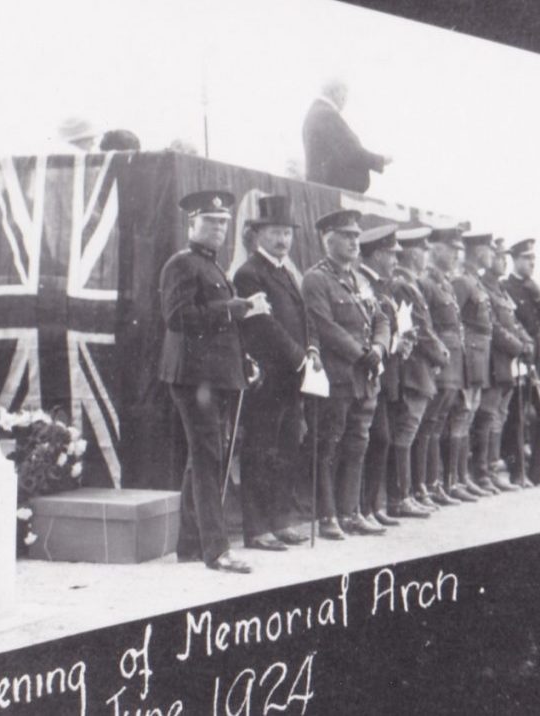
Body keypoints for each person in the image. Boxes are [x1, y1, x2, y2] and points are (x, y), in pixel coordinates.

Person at [159, 189, 260, 574]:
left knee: (202, 456)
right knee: (208, 457)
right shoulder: (181, 265)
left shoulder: (213, 267)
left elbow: (218, 328)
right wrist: (231, 309)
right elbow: (176, 317)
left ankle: (189, 545)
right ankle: (216, 550)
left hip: (213, 375)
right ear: (191, 224)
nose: (218, 228)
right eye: (210, 221)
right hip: (192, 376)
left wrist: (243, 359)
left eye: (223, 223)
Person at [232, 195, 316, 551]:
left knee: (285, 449)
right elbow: (265, 326)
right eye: (275, 233)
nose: (283, 240)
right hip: (268, 377)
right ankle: (257, 528)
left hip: (292, 376)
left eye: (287, 233)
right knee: (260, 450)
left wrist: (310, 348)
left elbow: (303, 316)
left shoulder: (284, 270)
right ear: (256, 235)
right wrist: (299, 357)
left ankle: (281, 519)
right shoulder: (250, 273)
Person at [301, 209, 390, 538]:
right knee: (329, 445)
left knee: (357, 444)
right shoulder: (316, 279)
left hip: (365, 377)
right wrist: (362, 355)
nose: (355, 241)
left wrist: (379, 348)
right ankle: (328, 517)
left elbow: (382, 318)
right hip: (338, 377)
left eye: (356, 235)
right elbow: (324, 325)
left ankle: (350, 512)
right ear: (328, 239)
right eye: (347, 236)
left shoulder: (361, 280)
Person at [387, 226, 447, 519]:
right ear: (412, 253)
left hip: (419, 369)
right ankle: (400, 496)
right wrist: (442, 355)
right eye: (423, 249)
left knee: (411, 431)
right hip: (412, 370)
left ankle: (408, 492)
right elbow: (420, 329)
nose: (426, 255)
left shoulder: (411, 284)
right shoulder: (404, 285)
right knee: (407, 430)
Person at [358, 224, 414, 528]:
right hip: (370, 370)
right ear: (377, 253)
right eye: (391, 254)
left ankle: (371, 506)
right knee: (376, 439)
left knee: (382, 440)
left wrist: (403, 341)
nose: (396, 260)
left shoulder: (383, 286)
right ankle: (362, 508)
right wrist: (394, 342)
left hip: (388, 371)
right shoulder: (364, 284)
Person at [414, 227, 467, 508]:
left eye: (458, 250)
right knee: (428, 425)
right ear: (435, 249)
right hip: (439, 363)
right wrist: (437, 360)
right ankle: (422, 486)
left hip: (452, 361)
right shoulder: (426, 282)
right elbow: (427, 326)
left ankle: (434, 484)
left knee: (437, 424)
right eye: (451, 249)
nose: (457, 254)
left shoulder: (445, 283)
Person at [502, 238, 540, 488]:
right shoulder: (505, 287)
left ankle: (537, 470)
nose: (532, 263)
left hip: (539, 359)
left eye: (534, 259)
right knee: (516, 416)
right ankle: (517, 472)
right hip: (517, 357)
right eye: (527, 259)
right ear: (514, 260)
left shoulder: (533, 288)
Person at [474, 237, 531, 491]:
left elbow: (514, 323)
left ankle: (493, 469)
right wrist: (518, 345)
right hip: (492, 361)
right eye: (498, 257)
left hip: (508, 363)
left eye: (505, 257)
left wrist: (526, 341)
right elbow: (494, 328)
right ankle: (482, 473)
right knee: (487, 417)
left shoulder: (501, 290)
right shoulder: (483, 287)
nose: (503, 261)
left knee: (500, 416)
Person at [446, 231, 497, 499]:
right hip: (468, 358)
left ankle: (463, 477)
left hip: (480, 358)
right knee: (461, 416)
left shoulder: (474, 280)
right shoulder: (462, 282)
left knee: (469, 416)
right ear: (477, 251)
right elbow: (455, 322)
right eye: (488, 249)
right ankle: (454, 480)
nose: (491, 254)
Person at [302, 78, 392, 193]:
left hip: (323, 191)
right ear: (336, 92)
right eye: (345, 94)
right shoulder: (326, 114)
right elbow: (350, 152)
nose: (345, 100)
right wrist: (380, 160)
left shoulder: (316, 112)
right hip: (333, 194)